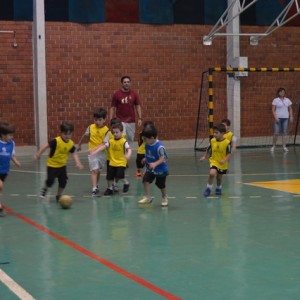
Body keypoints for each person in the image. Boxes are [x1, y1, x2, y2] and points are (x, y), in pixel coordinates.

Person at [34, 122, 84, 201]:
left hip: (62, 166)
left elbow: (74, 153)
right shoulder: (56, 141)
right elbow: (46, 146)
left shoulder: (70, 143)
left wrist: (78, 162)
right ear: (61, 133)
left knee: (63, 182)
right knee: (50, 181)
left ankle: (59, 195)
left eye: (69, 134)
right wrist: (38, 154)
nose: (67, 136)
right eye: (65, 134)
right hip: (52, 166)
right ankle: (45, 189)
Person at [89, 122, 132, 196]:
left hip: (121, 163)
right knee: (109, 177)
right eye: (113, 132)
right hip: (112, 162)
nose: (115, 134)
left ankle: (126, 183)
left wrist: (128, 155)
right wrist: (95, 151)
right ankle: (110, 188)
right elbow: (104, 146)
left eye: (117, 132)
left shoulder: (124, 141)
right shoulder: (111, 141)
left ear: (121, 132)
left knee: (119, 175)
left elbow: (129, 149)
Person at [77, 108, 109, 196]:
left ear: (104, 119)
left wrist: (96, 149)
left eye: (100, 120)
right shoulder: (91, 127)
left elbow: (104, 143)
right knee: (94, 171)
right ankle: (94, 189)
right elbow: (85, 136)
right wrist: (79, 145)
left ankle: (96, 185)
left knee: (98, 171)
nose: (97, 122)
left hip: (102, 153)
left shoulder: (107, 130)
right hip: (91, 153)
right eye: (95, 120)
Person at [138, 124, 169, 207]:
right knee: (145, 180)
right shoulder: (147, 144)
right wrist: (145, 158)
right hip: (150, 168)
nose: (144, 140)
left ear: (152, 138)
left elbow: (164, 158)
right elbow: (149, 153)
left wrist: (155, 163)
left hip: (160, 169)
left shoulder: (159, 147)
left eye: (145, 139)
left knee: (160, 184)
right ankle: (148, 197)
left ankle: (164, 197)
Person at [200, 123, 231, 197]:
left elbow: (229, 154)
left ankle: (219, 188)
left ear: (222, 133)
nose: (214, 134)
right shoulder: (212, 141)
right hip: (214, 161)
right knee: (212, 174)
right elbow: (208, 149)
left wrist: (224, 160)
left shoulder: (227, 143)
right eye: (214, 132)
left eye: (216, 133)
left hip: (222, 163)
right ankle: (208, 188)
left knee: (219, 178)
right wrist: (204, 156)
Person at [109, 76, 142, 142]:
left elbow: (138, 106)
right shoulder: (117, 94)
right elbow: (112, 108)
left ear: (130, 83)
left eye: (128, 82)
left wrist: (140, 118)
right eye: (125, 82)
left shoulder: (134, 94)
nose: (126, 83)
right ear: (122, 83)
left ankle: (128, 152)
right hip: (120, 121)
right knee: (121, 139)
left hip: (131, 121)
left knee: (130, 140)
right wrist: (111, 120)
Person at [0, 123, 21, 217]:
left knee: (0, 189)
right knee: (0, 186)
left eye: (12, 135)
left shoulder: (12, 143)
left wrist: (16, 161)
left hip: (4, 171)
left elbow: (11, 154)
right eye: (10, 135)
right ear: (3, 135)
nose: (12, 137)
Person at [271, 87, 293, 152]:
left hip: (285, 118)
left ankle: (284, 147)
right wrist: (276, 117)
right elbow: (273, 109)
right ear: (278, 93)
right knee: (276, 133)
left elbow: (290, 108)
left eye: (283, 91)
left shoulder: (287, 100)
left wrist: (291, 116)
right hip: (278, 118)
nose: (282, 93)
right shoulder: (275, 100)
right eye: (280, 92)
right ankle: (273, 146)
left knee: (285, 133)